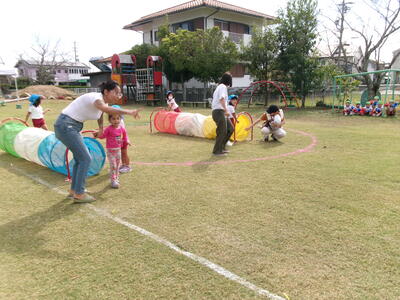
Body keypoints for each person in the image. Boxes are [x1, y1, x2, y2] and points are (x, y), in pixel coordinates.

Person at [54, 80, 140, 203]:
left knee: (80, 159)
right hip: (67, 125)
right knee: (85, 158)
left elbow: (100, 113)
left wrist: (100, 128)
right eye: (116, 93)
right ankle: (79, 193)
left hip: (70, 126)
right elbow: (105, 109)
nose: (118, 96)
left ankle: (75, 190)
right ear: (106, 92)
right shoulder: (97, 98)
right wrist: (129, 112)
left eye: (119, 94)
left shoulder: (101, 103)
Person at [97, 114, 128, 189]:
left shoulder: (121, 128)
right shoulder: (108, 129)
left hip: (118, 151)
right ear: (110, 120)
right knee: (113, 166)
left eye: (118, 118)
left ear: (120, 119)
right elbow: (103, 136)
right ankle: (113, 181)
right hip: (111, 151)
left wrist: (126, 141)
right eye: (113, 119)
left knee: (117, 166)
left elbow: (125, 135)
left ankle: (116, 178)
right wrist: (98, 134)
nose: (116, 120)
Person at [211, 72, 234, 156]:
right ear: (228, 80)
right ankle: (217, 151)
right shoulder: (222, 87)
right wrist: (226, 110)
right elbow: (222, 99)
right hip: (218, 112)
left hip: (220, 112)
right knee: (222, 131)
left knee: (230, 129)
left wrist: (225, 111)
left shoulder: (220, 87)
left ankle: (222, 147)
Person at [111, 105, 132, 173]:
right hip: (118, 140)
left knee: (124, 153)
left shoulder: (120, 122)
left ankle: (127, 166)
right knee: (120, 153)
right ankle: (123, 165)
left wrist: (126, 140)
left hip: (123, 140)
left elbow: (123, 132)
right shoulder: (114, 121)